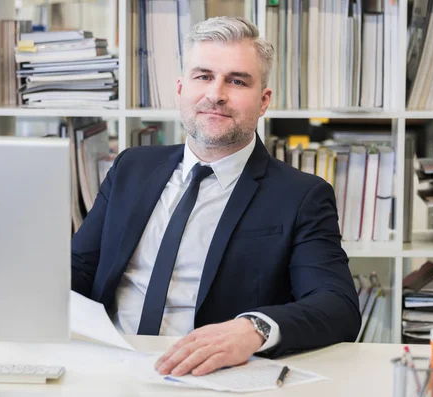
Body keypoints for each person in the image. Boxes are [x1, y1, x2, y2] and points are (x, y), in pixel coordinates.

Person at [72, 16, 360, 377]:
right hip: (107, 366)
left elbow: (338, 306)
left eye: (236, 81)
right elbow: (78, 267)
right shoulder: (132, 167)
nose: (216, 94)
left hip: (210, 378)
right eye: (203, 76)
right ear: (180, 88)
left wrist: (253, 329)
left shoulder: (301, 195)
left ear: (264, 100)